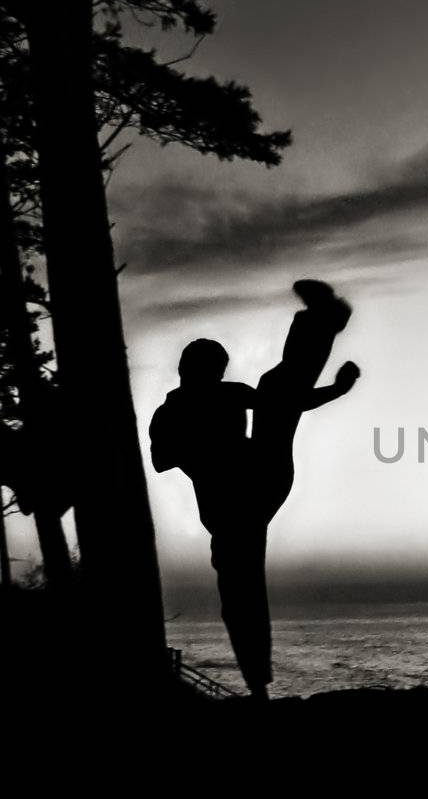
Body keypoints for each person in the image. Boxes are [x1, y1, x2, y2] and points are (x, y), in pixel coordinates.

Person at [150, 280, 359, 699]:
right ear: (186, 372)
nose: (213, 377)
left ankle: (321, 321)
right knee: (241, 592)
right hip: (227, 510)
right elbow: (160, 460)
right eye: (205, 370)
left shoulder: (229, 394)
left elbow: (285, 404)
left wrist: (336, 390)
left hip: (263, 474)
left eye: (216, 370)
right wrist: (201, 440)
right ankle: (258, 686)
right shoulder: (170, 412)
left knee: (276, 385)